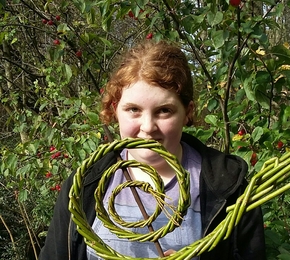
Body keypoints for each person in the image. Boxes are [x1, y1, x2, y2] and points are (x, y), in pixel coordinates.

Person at [39, 40, 266, 260]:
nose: (147, 127)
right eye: (133, 109)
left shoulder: (228, 188)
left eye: (164, 110)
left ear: (187, 112)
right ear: (115, 110)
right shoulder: (85, 185)